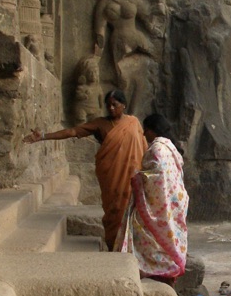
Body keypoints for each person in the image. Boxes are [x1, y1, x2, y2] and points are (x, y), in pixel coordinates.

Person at [23, 90, 145, 251]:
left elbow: (143, 146)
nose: (111, 108)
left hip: (131, 175)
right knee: (113, 210)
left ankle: (131, 247)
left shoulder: (133, 123)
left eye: (115, 105)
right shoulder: (101, 123)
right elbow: (73, 132)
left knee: (132, 209)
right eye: (108, 105)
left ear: (124, 105)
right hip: (111, 174)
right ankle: (113, 244)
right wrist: (44, 136)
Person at [116, 114, 189, 284]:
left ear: (152, 130)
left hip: (158, 205)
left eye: (145, 131)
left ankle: (154, 272)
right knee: (167, 239)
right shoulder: (170, 147)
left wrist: (137, 177)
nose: (144, 135)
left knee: (149, 238)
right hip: (172, 202)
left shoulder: (157, 149)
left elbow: (157, 178)